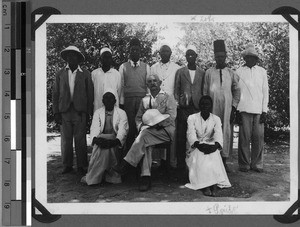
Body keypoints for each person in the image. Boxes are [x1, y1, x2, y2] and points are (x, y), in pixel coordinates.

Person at [113, 74, 177, 191]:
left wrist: (158, 124)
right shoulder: (144, 100)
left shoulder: (168, 97)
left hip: (165, 130)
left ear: (160, 82)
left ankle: (127, 164)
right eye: (149, 82)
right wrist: (141, 127)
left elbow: (172, 116)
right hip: (148, 132)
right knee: (145, 141)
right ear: (147, 85)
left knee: (144, 137)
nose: (152, 83)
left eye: (155, 81)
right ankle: (145, 176)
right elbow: (138, 118)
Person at [52, 45, 94, 174]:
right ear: (66, 58)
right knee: (66, 140)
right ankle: (67, 165)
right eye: (69, 55)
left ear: (78, 58)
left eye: (74, 55)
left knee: (80, 139)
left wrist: (88, 113)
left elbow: (90, 94)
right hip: (64, 111)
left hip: (80, 111)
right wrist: (56, 112)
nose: (71, 57)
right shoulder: (60, 73)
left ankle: (82, 165)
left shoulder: (85, 73)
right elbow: (55, 93)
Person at [203, 40, 240, 172]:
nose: (219, 59)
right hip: (212, 109)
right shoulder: (209, 72)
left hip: (227, 109)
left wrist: (234, 108)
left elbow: (237, 91)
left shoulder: (231, 73)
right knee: (212, 132)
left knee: (225, 133)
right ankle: (213, 162)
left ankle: (224, 162)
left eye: (222, 56)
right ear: (214, 57)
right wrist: (205, 109)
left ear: (225, 57)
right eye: (217, 56)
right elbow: (205, 91)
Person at [185, 95, 231, 196]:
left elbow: (218, 135)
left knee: (214, 154)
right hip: (196, 147)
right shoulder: (192, 118)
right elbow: (191, 134)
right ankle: (205, 185)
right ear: (199, 105)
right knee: (200, 155)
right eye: (202, 104)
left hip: (210, 145)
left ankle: (213, 185)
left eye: (207, 104)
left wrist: (214, 147)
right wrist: (199, 145)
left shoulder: (216, 119)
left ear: (211, 106)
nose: (205, 106)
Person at [81, 91, 128, 185]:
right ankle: (110, 175)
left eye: (111, 99)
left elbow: (123, 130)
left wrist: (114, 142)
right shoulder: (98, 112)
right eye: (106, 99)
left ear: (115, 101)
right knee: (103, 146)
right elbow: (94, 127)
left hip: (115, 140)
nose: (109, 101)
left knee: (106, 147)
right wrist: (96, 140)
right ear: (103, 101)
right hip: (101, 139)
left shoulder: (121, 113)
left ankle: (94, 177)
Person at [236, 43, 269, 173]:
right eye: (248, 57)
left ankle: (257, 164)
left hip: (259, 110)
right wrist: (237, 110)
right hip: (243, 109)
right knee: (244, 138)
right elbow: (236, 92)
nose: (250, 59)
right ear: (245, 58)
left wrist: (264, 110)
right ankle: (244, 164)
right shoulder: (239, 71)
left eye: (253, 57)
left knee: (258, 138)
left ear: (256, 59)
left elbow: (265, 92)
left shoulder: (262, 71)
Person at [174, 44, 205, 170]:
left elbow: (204, 90)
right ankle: (181, 165)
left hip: (197, 108)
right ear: (186, 56)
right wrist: (179, 105)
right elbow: (176, 90)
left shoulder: (202, 72)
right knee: (181, 136)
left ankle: (196, 165)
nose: (190, 56)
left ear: (196, 56)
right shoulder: (180, 72)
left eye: (192, 54)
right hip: (184, 108)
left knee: (196, 136)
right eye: (188, 54)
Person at [150, 44, 181, 168]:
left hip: (171, 104)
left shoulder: (177, 68)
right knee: (156, 129)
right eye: (162, 52)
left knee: (169, 131)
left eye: (167, 51)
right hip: (157, 105)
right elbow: (150, 86)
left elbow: (178, 87)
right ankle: (156, 160)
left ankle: (169, 162)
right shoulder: (153, 67)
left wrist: (176, 103)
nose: (164, 54)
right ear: (159, 53)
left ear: (171, 53)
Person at [119, 38, 150, 154]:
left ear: (140, 51)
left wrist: (148, 103)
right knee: (130, 129)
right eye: (133, 50)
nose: (135, 52)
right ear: (129, 51)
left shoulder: (146, 67)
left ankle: (141, 156)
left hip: (142, 102)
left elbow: (148, 87)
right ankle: (129, 156)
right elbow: (121, 86)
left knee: (141, 128)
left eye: (137, 50)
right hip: (128, 102)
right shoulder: (123, 67)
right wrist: (121, 104)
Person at [91, 47, 121, 113]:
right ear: (100, 59)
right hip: (98, 108)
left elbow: (119, 92)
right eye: (104, 57)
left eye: (109, 57)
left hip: (113, 109)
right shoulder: (94, 73)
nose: (107, 59)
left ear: (111, 59)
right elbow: (91, 92)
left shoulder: (116, 74)